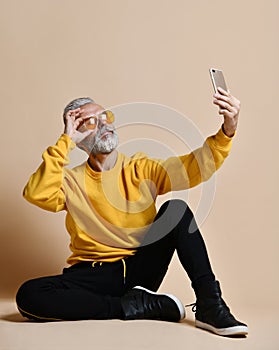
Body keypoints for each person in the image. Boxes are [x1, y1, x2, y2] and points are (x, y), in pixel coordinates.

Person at [16, 88, 248, 337]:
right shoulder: (70, 180)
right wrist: (66, 141)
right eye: (93, 122)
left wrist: (228, 129)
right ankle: (134, 306)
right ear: (78, 136)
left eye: (107, 117)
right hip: (89, 275)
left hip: (138, 270)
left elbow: (195, 167)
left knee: (176, 210)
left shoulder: (141, 168)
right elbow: (36, 193)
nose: (105, 125)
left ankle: (210, 305)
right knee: (28, 295)